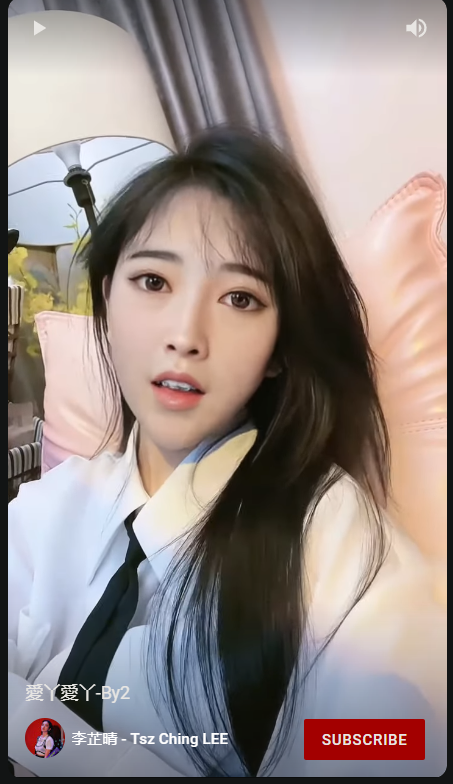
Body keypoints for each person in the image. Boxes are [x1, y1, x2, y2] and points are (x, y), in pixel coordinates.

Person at [8, 128, 446, 777]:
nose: (186, 335)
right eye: (153, 280)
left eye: (240, 298)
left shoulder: (328, 534)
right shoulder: (51, 507)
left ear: (279, 350)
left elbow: (403, 739)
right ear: (106, 302)